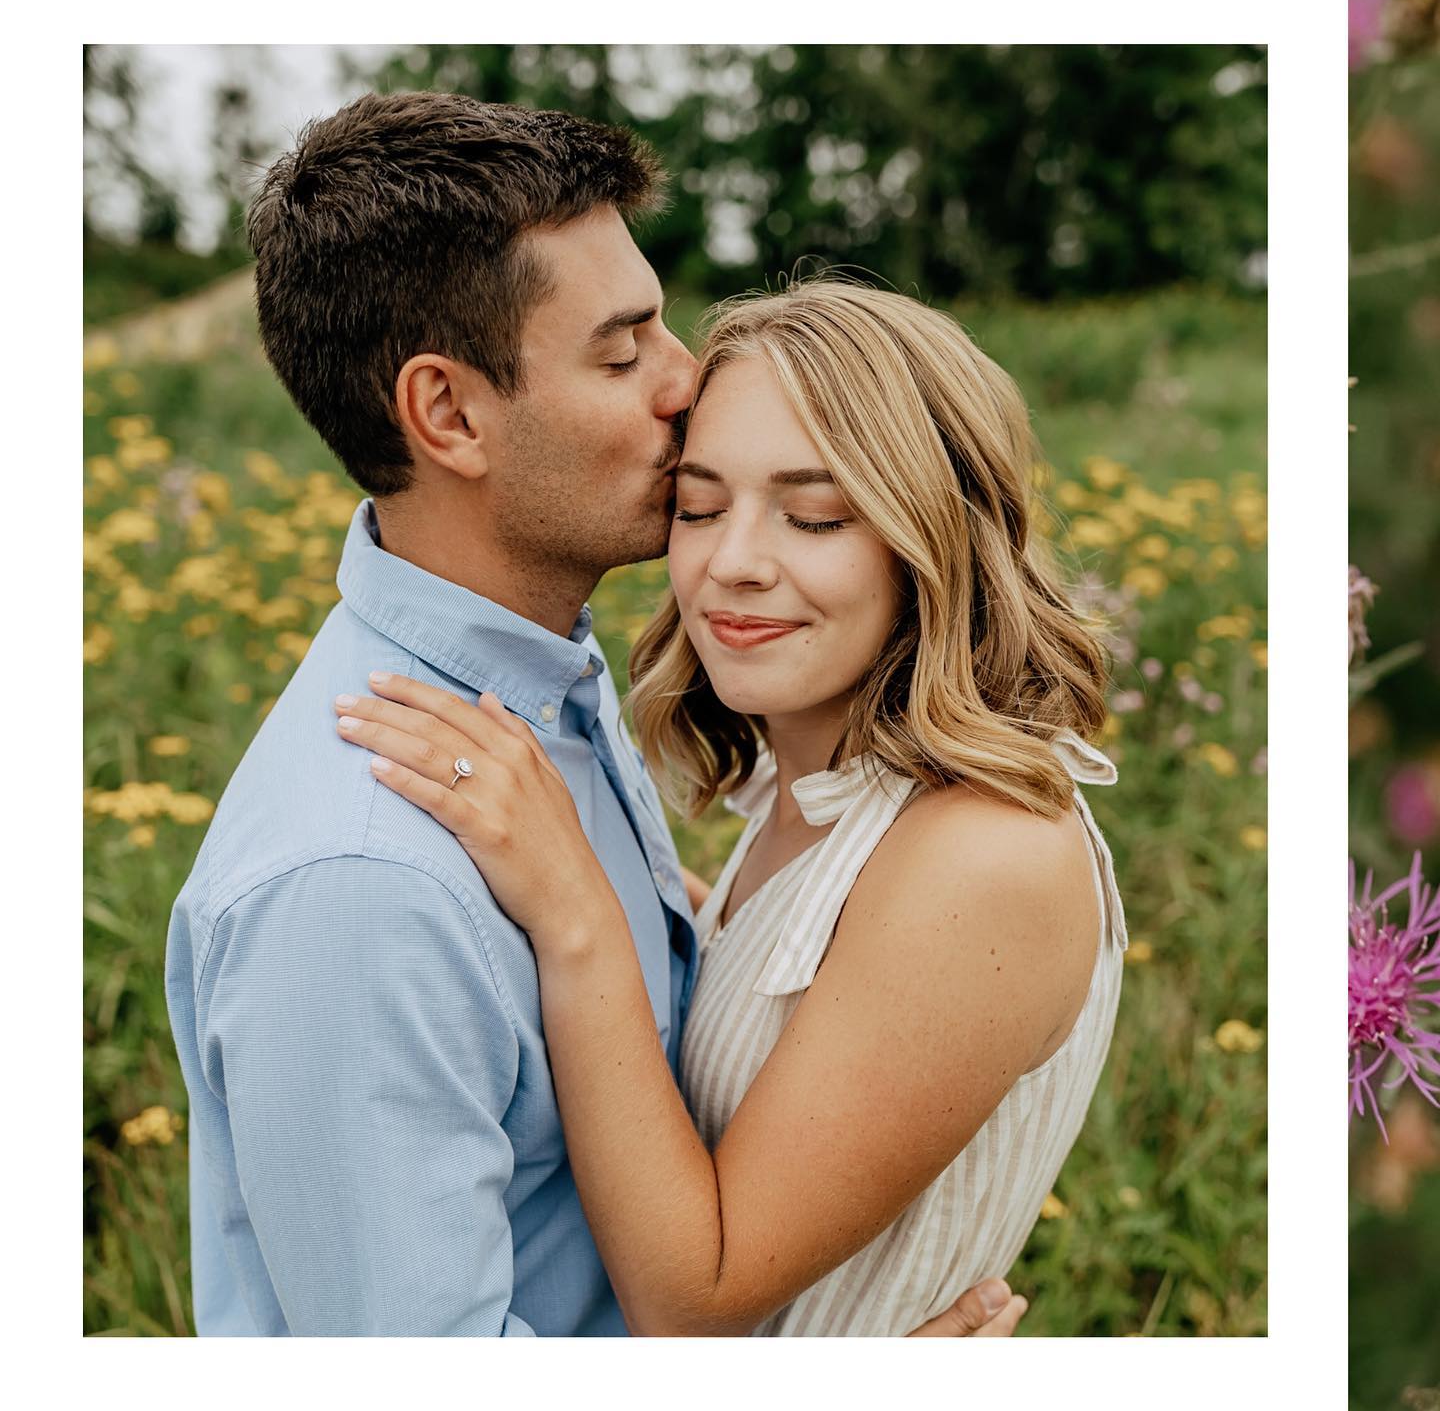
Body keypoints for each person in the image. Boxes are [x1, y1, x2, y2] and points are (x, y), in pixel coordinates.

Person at [165, 90, 1024, 1337]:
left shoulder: (541, 686)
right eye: (622, 353)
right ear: (448, 414)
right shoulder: (362, 884)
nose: (686, 381)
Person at [333, 277, 1127, 1336]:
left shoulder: (982, 856)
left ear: (933, 537)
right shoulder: (822, 802)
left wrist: (578, 916)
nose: (733, 566)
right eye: (700, 508)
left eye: (813, 516)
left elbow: (689, 1298)